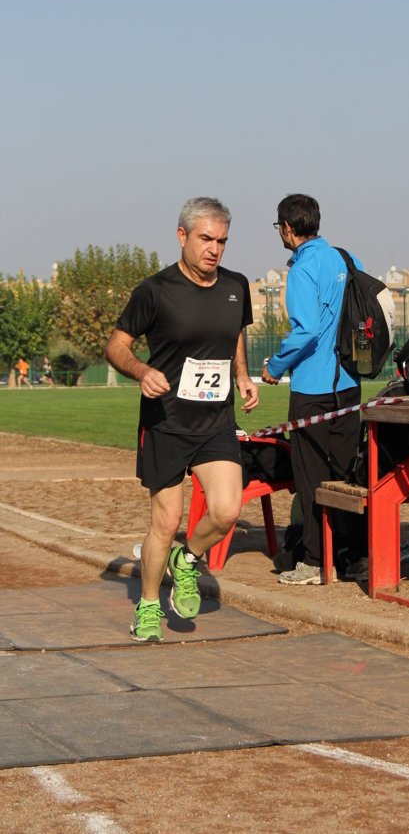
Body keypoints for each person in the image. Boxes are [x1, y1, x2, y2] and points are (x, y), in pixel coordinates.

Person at [105, 197, 259, 642]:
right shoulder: (155, 290)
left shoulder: (236, 285)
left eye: (222, 241)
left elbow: (234, 334)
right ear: (182, 236)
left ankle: (187, 559)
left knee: (227, 510)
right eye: (206, 239)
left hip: (215, 420)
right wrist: (142, 371)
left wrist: (242, 375)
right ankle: (148, 606)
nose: (214, 249)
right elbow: (116, 346)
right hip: (166, 422)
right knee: (166, 521)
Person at [262, 194, 364, 584]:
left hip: (313, 390)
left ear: (287, 228)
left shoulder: (302, 269)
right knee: (348, 476)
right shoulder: (345, 258)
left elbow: (305, 332)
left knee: (311, 479)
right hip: (349, 384)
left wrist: (275, 366)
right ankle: (354, 555)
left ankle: (315, 560)